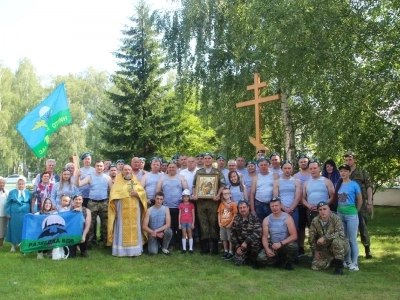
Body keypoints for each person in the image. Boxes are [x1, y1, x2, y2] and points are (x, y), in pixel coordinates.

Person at [107, 164, 148, 257]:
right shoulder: (117, 183)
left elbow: (143, 194)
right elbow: (113, 196)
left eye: (129, 170)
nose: (127, 171)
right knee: (121, 229)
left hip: (135, 211)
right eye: (125, 170)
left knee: (135, 227)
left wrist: (137, 194)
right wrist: (114, 211)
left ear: (131, 171)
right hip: (121, 212)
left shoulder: (136, 182)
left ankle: (135, 251)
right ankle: (121, 251)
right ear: (122, 171)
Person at [192, 152, 226, 255]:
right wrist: (195, 195)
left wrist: (218, 195)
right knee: (203, 223)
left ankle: (215, 247)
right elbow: (194, 185)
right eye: (205, 158)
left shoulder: (217, 172)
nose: (207, 160)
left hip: (213, 202)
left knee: (214, 223)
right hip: (201, 202)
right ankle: (204, 247)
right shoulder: (199, 172)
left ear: (212, 160)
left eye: (209, 158)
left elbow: (222, 184)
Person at [344, 151, 373, 259]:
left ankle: (367, 249)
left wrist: (369, 201)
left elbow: (369, 186)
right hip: (348, 204)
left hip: (360, 204)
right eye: (346, 160)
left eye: (350, 159)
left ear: (354, 160)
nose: (348, 161)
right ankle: (350, 251)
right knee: (349, 228)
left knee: (362, 225)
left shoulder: (361, 172)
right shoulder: (344, 172)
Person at [77, 160, 113, 246]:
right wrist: (78, 176)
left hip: (104, 203)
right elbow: (79, 184)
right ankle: (88, 242)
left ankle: (106, 242)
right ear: (95, 167)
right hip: (92, 203)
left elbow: (112, 190)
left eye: (101, 166)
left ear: (103, 167)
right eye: (97, 166)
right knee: (90, 224)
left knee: (106, 224)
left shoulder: (108, 178)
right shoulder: (90, 177)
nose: (99, 167)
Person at [308, 201, 349, 275]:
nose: (322, 211)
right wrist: (315, 250)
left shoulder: (336, 218)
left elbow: (340, 233)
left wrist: (325, 238)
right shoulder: (315, 220)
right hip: (325, 248)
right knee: (315, 266)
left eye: (324, 209)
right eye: (320, 210)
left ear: (329, 209)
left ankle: (338, 267)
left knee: (336, 242)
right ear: (318, 211)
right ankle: (332, 260)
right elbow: (311, 237)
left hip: (340, 245)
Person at [257, 197, 298, 270]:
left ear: (281, 206)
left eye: (276, 206)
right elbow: (264, 237)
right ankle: (277, 260)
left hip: (284, 245)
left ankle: (288, 262)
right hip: (273, 245)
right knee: (261, 258)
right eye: (272, 206)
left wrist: (281, 243)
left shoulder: (287, 217)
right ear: (270, 207)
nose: (274, 208)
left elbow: (294, 236)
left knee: (293, 245)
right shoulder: (267, 219)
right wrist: (267, 250)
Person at [335, 164, 362, 271]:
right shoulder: (338, 184)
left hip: (351, 214)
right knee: (344, 238)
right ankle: (347, 260)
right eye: (341, 171)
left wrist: (356, 211)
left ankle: (355, 263)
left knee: (352, 239)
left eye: (345, 171)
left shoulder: (354, 185)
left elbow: (360, 200)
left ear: (349, 172)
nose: (343, 173)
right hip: (340, 213)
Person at [156, 160, 188, 250]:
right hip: (166, 207)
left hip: (179, 207)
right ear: (167, 168)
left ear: (177, 168)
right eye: (170, 167)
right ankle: (171, 244)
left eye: (173, 167)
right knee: (169, 226)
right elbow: (158, 191)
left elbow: (186, 191)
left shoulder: (181, 177)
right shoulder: (163, 178)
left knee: (180, 225)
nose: (171, 169)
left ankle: (181, 244)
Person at [302, 159, 334, 227]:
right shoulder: (306, 183)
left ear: (319, 168)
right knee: (313, 234)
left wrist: (323, 206)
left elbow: (333, 197)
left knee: (325, 233)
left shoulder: (327, 181)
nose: (313, 170)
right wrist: (308, 206)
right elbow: (302, 198)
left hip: (324, 212)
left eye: (315, 168)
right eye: (310, 169)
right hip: (311, 212)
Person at [230, 199, 262, 268]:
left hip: (252, 244)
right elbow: (233, 235)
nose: (242, 209)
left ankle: (254, 260)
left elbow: (258, 232)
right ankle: (247, 258)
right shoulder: (236, 219)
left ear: (248, 207)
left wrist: (246, 242)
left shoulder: (254, 217)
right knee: (237, 262)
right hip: (241, 246)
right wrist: (237, 247)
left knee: (255, 242)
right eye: (240, 208)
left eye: (244, 207)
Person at [5, 177, 32, 252]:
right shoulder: (12, 192)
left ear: (24, 184)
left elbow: (31, 203)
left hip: (25, 213)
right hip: (14, 214)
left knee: (24, 229)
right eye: (19, 184)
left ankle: (22, 245)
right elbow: (8, 203)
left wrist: (32, 212)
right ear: (17, 184)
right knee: (14, 228)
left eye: (22, 184)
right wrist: (8, 213)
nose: (21, 185)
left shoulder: (28, 192)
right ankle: (13, 245)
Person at [273, 160, 301, 229]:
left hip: (293, 210)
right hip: (281, 210)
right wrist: (284, 209)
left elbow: (297, 197)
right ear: (282, 169)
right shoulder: (277, 182)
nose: (287, 170)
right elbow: (276, 197)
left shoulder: (296, 181)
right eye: (285, 168)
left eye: (289, 168)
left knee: (294, 230)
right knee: (282, 231)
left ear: (292, 169)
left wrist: (291, 209)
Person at [250, 157, 279, 222]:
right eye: (261, 165)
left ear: (268, 165)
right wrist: (252, 210)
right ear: (258, 167)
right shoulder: (256, 178)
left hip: (272, 204)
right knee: (260, 225)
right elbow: (252, 194)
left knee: (272, 223)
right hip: (259, 205)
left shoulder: (275, 176)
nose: (263, 166)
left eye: (265, 165)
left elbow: (279, 192)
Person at [294, 154, 311, 256]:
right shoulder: (296, 176)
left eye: (305, 161)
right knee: (300, 228)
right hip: (300, 205)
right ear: (299, 163)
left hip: (312, 206)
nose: (303, 163)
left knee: (312, 227)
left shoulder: (313, 173)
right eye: (301, 162)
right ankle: (301, 247)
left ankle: (313, 247)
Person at [68, 193, 91, 258]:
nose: (78, 201)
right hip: (72, 233)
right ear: (73, 200)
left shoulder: (87, 211)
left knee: (86, 234)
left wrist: (83, 235)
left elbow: (87, 225)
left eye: (79, 199)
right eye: (76, 199)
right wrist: (73, 213)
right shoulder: (69, 210)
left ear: (82, 200)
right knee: (71, 256)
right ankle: (74, 247)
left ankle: (83, 251)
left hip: (82, 231)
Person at [217, 187, 237, 260]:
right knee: (224, 238)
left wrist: (231, 224)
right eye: (224, 194)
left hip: (229, 225)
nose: (225, 195)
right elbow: (219, 213)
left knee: (230, 239)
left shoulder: (233, 204)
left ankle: (230, 252)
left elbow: (235, 214)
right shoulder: (221, 204)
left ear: (230, 195)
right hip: (222, 225)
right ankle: (225, 251)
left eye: (227, 194)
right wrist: (219, 222)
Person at [178, 189, 195, 254]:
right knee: (184, 234)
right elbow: (179, 214)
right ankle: (184, 248)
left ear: (189, 197)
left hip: (190, 222)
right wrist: (179, 223)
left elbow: (193, 214)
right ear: (182, 197)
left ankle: (191, 248)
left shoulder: (191, 205)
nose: (186, 198)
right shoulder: (181, 205)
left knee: (190, 234)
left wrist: (193, 223)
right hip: (183, 222)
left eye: (187, 196)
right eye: (184, 196)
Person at [0, 177, 9, 248]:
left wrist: (4, 192)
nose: (1, 184)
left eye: (3, 183)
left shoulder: (7, 192)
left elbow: (9, 202)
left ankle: (1, 244)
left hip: (3, 214)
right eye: (0, 183)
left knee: (2, 230)